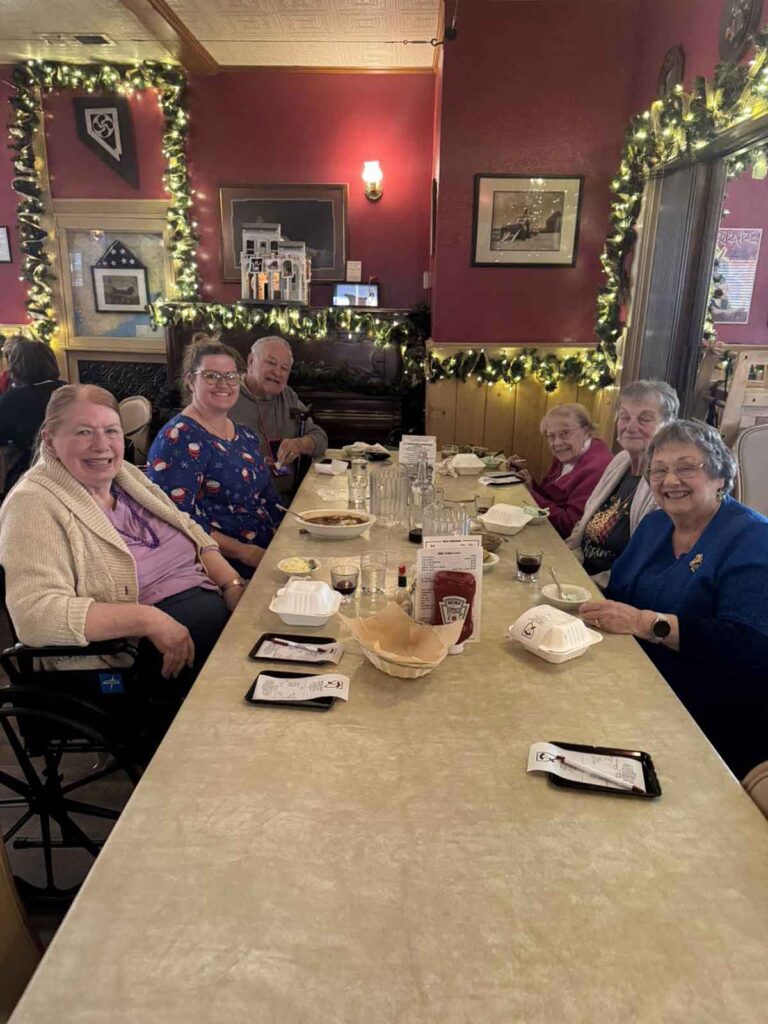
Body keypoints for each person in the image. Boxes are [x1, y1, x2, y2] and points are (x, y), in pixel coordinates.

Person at [0, 384, 244, 697]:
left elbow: (189, 528)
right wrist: (148, 620)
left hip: (208, 622)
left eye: (111, 431)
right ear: (50, 439)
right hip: (128, 668)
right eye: (84, 432)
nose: (101, 445)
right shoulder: (32, 503)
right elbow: (35, 615)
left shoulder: (125, 475)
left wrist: (231, 585)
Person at [581, 420, 768, 781]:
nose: (670, 481)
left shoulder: (753, 537)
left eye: (686, 468)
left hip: (705, 716)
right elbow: (618, 594)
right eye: (659, 470)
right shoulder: (655, 525)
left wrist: (646, 623)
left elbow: (747, 644)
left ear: (720, 476)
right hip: (632, 683)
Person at [147, 337, 283, 578]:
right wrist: (246, 553)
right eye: (211, 376)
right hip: (223, 566)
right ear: (191, 381)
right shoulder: (178, 438)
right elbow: (176, 520)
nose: (224, 384)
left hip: (267, 552)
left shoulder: (245, 435)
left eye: (231, 376)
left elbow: (269, 499)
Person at [567, 380, 679, 587]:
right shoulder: (621, 460)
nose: (631, 426)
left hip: (610, 589)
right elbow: (583, 524)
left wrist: (583, 585)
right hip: (577, 573)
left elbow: (643, 564)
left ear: (669, 424)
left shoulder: (667, 483)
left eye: (645, 419)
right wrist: (563, 561)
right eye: (625, 416)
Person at [231, 335, 328, 499]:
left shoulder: (287, 395)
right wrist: (254, 465)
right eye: (271, 363)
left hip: (288, 501)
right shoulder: (227, 396)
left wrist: (300, 444)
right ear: (251, 361)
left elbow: (320, 438)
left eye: (284, 368)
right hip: (242, 502)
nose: (277, 372)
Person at [510, 403, 612, 538]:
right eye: (551, 436)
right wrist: (529, 482)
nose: (557, 443)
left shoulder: (596, 467)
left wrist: (531, 494)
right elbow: (551, 498)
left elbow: (570, 526)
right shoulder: (569, 453)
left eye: (564, 433)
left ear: (586, 431)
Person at [0, 336, 65, 493]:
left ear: (17, 368)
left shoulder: (14, 398)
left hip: (32, 470)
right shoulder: (67, 390)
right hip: (71, 463)